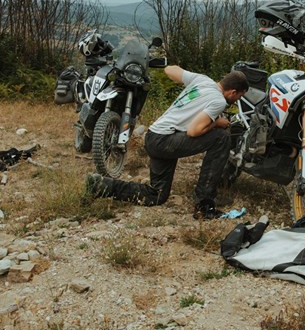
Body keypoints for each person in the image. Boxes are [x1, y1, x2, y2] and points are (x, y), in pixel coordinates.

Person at [84, 65, 248, 219]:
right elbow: (193, 131)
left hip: (154, 135)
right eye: (239, 96)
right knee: (221, 137)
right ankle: (204, 205)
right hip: (164, 141)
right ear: (233, 92)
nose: (237, 100)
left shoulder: (202, 80)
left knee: (157, 195)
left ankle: (101, 185)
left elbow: (170, 70)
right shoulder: (218, 101)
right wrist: (217, 123)